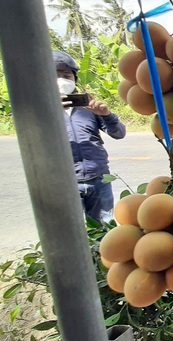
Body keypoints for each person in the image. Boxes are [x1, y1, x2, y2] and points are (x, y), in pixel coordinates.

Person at [54, 50, 126, 224]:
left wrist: (106, 115)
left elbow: (119, 133)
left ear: (74, 79)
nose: (62, 81)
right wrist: (50, 112)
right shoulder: (42, 111)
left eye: (66, 75)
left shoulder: (88, 108)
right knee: (70, 230)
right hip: (65, 183)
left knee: (103, 228)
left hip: (99, 179)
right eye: (55, 76)